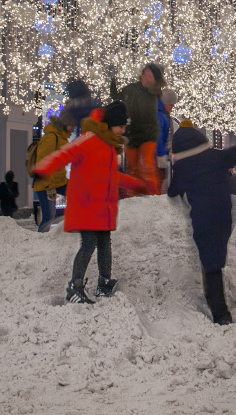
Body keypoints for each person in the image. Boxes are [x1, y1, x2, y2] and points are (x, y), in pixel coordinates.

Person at [32, 101, 150, 303]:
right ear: (111, 123)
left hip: (103, 206)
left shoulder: (110, 147)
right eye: (121, 125)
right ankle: (74, 287)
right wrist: (44, 168)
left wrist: (137, 184)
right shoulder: (88, 139)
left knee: (104, 243)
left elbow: (113, 176)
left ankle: (104, 283)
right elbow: (64, 154)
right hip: (86, 205)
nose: (123, 130)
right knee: (89, 244)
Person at [167, 119, 236, 324]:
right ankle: (218, 305)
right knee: (215, 257)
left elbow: (172, 191)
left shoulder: (183, 166)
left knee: (210, 262)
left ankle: (220, 313)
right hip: (224, 213)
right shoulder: (216, 156)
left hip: (202, 216)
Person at [118, 63, 167, 194]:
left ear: (155, 80)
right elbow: (118, 95)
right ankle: (133, 195)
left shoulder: (153, 93)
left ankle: (152, 195)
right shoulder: (133, 89)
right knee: (132, 167)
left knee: (146, 166)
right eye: (144, 74)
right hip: (132, 133)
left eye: (149, 76)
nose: (145, 78)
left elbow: (144, 114)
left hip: (147, 134)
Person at [29, 110, 73, 232]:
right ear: (64, 124)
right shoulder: (51, 137)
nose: (73, 129)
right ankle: (42, 240)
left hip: (59, 181)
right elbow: (43, 161)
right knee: (49, 216)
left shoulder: (62, 138)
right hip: (45, 183)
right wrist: (49, 186)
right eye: (72, 125)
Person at [155, 87, 178, 193]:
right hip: (158, 156)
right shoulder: (159, 115)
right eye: (171, 104)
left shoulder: (163, 114)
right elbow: (158, 136)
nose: (172, 107)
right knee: (158, 182)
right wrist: (161, 154)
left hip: (161, 154)